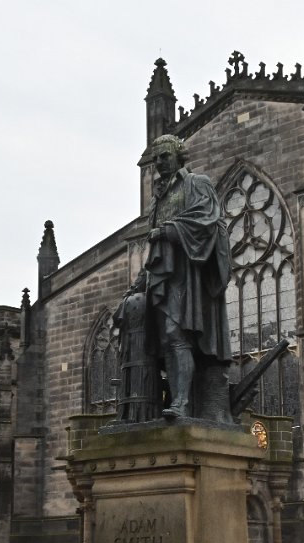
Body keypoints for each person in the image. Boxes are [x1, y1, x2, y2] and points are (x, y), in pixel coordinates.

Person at [118, 134, 233, 421]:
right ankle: (178, 401)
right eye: (156, 158)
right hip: (164, 275)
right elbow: (153, 248)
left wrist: (170, 230)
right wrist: (137, 284)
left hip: (190, 275)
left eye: (165, 156)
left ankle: (182, 403)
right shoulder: (158, 198)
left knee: (175, 333)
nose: (160, 162)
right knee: (168, 339)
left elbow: (207, 219)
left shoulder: (197, 183)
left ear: (179, 155)